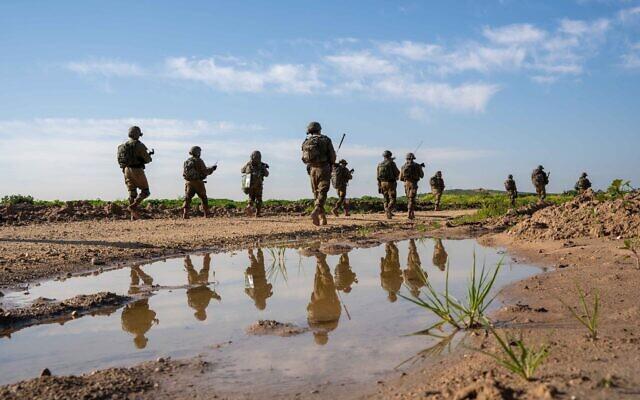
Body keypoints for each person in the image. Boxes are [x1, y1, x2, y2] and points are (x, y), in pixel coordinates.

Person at [301, 122, 336, 226]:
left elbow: (304, 159)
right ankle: (316, 210)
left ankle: (322, 218)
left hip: (312, 170)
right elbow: (332, 156)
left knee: (316, 193)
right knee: (323, 191)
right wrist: (332, 162)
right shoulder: (325, 140)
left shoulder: (306, 142)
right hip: (323, 168)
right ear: (319, 129)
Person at [117, 126, 153, 220]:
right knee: (145, 191)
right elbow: (148, 159)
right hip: (136, 169)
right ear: (138, 134)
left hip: (126, 170)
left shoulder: (122, 146)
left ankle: (133, 216)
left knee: (132, 193)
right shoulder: (139, 145)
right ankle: (133, 206)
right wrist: (147, 156)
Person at [307, 253, 341, 345]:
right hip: (317, 298)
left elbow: (338, 309)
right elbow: (309, 311)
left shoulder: (332, 327)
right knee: (319, 276)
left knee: (326, 277)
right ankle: (320, 257)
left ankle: (320, 259)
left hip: (327, 298)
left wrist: (336, 299)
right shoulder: (313, 326)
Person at [122, 265, 157, 349]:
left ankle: (136, 268)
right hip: (131, 300)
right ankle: (134, 267)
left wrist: (153, 319)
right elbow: (124, 313)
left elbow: (152, 313)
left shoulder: (145, 328)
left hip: (141, 300)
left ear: (143, 339)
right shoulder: (127, 328)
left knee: (148, 280)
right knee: (134, 282)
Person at [182, 146, 217, 219]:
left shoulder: (187, 161)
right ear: (197, 152)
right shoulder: (199, 161)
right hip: (198, 182)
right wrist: (212, 169)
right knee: (203, 197)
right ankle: (207, 213)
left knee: (187, 198)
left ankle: (185, 214)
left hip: (188, 182)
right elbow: (205, 171)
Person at [184, 254, 220, 321]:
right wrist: (216, 296)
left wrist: (216, 296)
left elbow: (208, 294)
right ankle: (187, 257)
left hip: (200, 283)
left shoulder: (203, 305)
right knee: (190, 269)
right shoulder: (192, 305)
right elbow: (188, 293)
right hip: (193, 283)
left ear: (203, 313)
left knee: (205, 269)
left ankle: (206, 255)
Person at [241, 151, 269, 217]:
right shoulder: (261, 166)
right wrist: (264, 167)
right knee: (259, 199)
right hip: (258, 185)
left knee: (251, 198)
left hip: (249, 184)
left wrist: (247, 164)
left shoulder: (248, 165)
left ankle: (249, 206)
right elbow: (267, 174)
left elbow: (242, 170)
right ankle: (257, 213)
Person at [399, 153, 425, 220]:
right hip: (414, 183)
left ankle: (411, 213)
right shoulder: (417, 166)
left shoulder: (403, 166)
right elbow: (422, 176)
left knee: (409, 199)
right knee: (412, 199)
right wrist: (420, 168)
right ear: (413, 158)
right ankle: (409, 214)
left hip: (406, 183)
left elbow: (401, 178)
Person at [377, 150, 400, 219]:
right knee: (393, 198)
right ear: (390, 155)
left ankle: (387, 211)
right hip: (390, 183)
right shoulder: (392, 163)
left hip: (382, 183)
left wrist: (379, 185)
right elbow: (397, 173)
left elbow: (377, 176)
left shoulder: (380, 164)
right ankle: (388, 209)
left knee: (385, 197)